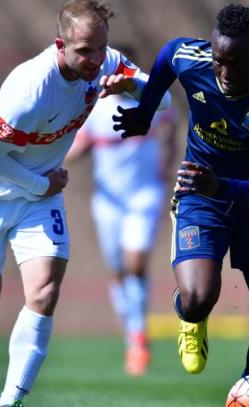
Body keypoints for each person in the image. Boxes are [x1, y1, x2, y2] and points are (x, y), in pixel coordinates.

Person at [0, 1, 169, 405]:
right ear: (60, 44)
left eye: (100, 48)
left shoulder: (107, 62)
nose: (95, 60)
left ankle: (10, 400)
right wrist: (38, 182)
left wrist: (131, 86)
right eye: (84, 50)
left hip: (38, 198)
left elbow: (162, 102)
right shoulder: (28, 88)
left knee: (44, 292)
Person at [113, 4, 249, 377]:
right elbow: (168, 55)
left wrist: (224, 186)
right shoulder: (193, 59)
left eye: (237, 63)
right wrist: (146, 111)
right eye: (219, 60)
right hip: (200, 193)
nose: (225, 73)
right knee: (199, 297)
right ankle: (190, 316)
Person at [66, 44, 177, 376]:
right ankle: (132, 336)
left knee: (135, 263)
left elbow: (171, 122)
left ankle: (139, 335)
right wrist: (43, 162)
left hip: (144, 195)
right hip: (108, 202)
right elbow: (78, 146)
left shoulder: (148, 99)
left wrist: (167, 162)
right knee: (117, 271)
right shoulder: (94, 109)